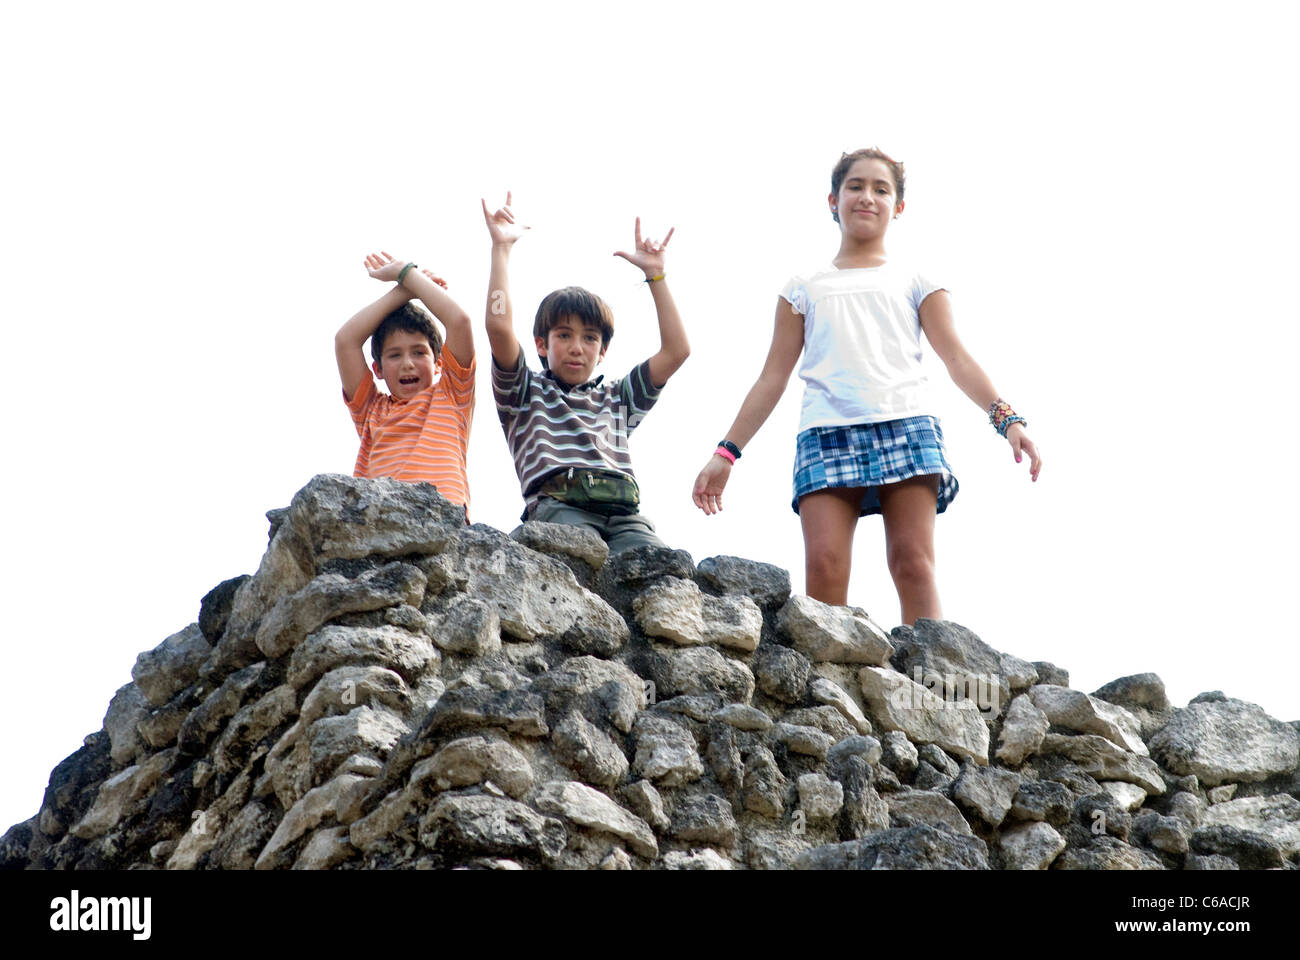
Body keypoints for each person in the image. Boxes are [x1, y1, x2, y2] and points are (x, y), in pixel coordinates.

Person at [692, 147, 1042, 624]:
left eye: (881, 189)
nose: (867, 197)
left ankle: (929, 681)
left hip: (906, 425)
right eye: (856, 186)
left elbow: (957, 358)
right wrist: (726, 452)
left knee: (912, 564)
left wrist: (1009, 421)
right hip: (825, 433)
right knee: (825, 566)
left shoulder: (918, 279)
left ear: (898, 207)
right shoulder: (802, 286)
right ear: (832, 200)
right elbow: (772, 377)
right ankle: (826, 691)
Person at [482, 191, 689, 553]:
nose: (577, 347)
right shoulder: (525, 393)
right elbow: (498, 329)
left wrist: (656, 276)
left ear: (603, 350)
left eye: (589, 338)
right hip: (560, 507)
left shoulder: (617, 398)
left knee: (663, 566)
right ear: (542, 345)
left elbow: (676, 351)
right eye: (564, 335)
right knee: (580, 556)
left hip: (624, 514)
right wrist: (502, 249)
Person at [335, 251, 476, 517]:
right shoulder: (371, 411)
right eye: (395, 355)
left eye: (419, 352)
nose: (407, 363)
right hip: (381, 521)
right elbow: (346, 341)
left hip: (442, 517)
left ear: (439, 363)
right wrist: (404, 291)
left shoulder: (451, 395)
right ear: (377, 369)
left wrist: (406, 272)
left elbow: (460, 322)